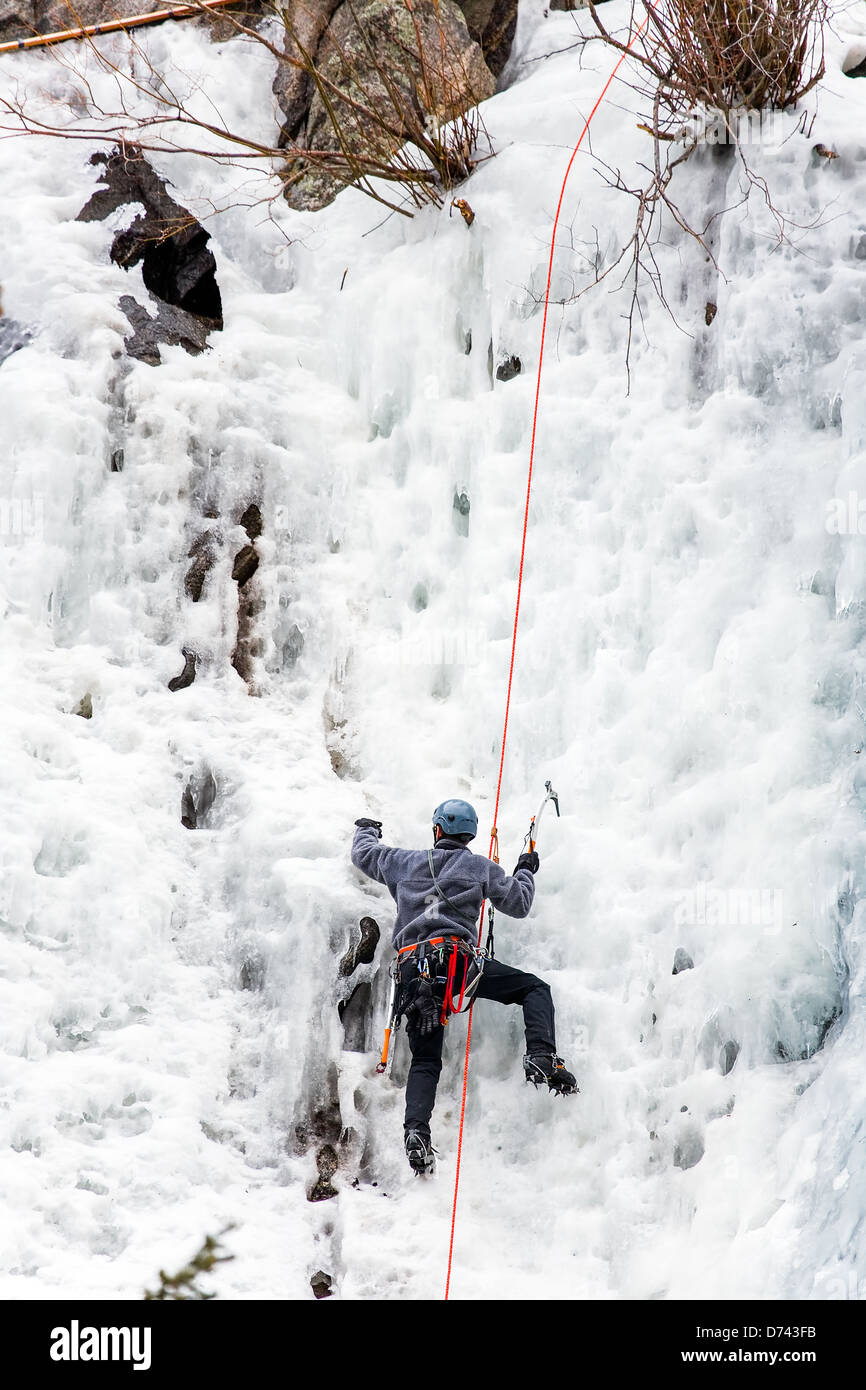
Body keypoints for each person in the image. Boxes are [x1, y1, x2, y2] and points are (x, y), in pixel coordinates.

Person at [351, 798, 577, 1175]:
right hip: (457, 966)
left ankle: (416, 1133)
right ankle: (540, 1055)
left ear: (437, 829)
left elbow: (364, 854)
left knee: (425, 1059)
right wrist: (524, 870)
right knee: (533, 989)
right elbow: (519, 903)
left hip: (413, 972)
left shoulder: (403, 862)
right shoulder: (478, 867)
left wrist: (367, 827)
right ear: (469, 835)